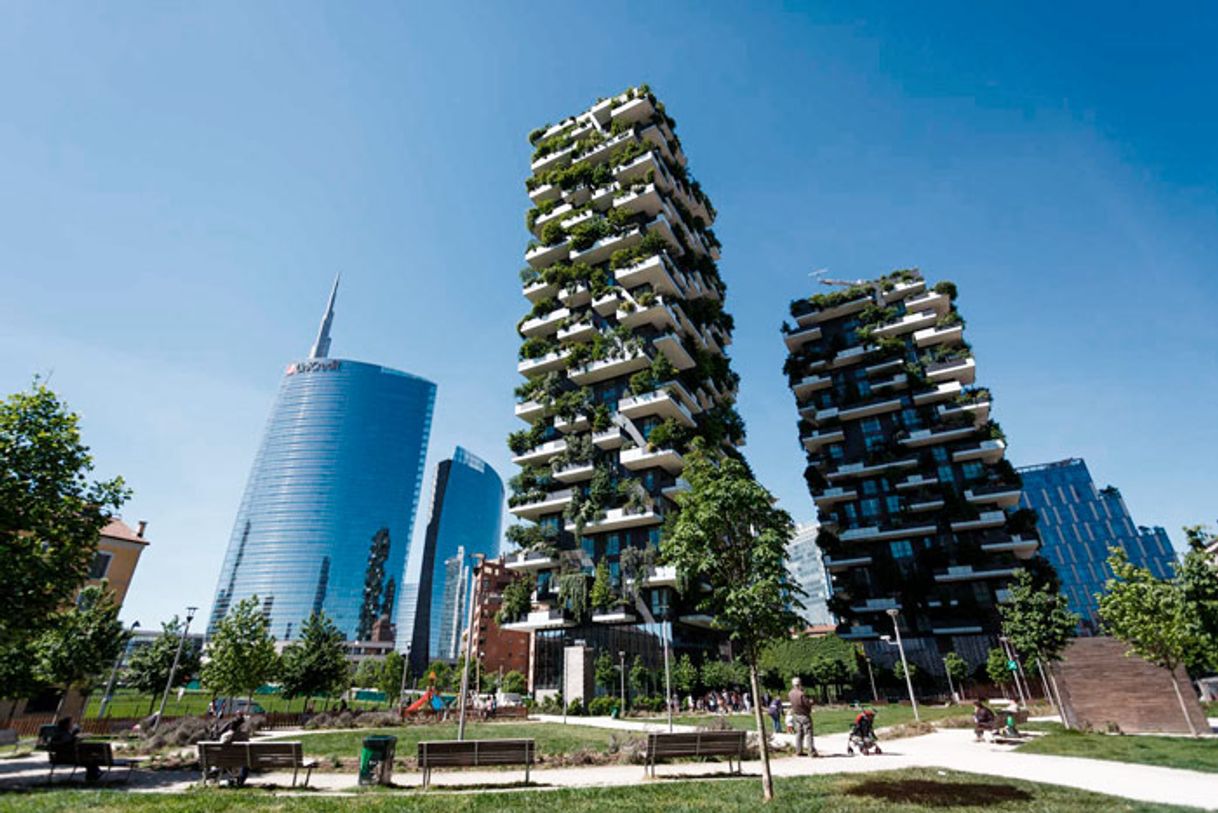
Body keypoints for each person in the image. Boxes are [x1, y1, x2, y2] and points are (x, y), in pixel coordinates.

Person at [48, 717, 102, 782]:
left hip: (61, 757)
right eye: (71, 723)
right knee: (89, 759)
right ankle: (93, 775)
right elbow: (68, 744)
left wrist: (74, 736)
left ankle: (93, 775)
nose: (72, 725)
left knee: (89, 760)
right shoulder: (64, 735)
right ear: (66, 725)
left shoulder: (59, 734)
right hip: (68, 758)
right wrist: (75, 738)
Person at [788, 677, 817, 757]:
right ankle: (811, 751)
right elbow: (806, 703)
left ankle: (798, 750)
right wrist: (811, 702)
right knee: (808, 733)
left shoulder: (790, 693)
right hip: (804, 715)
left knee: (798, 733)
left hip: (796, 715)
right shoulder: (801, 694)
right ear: (799, 684)